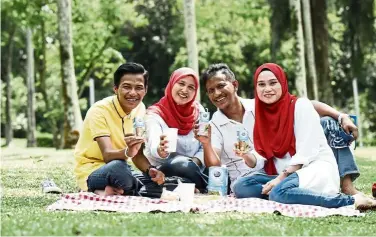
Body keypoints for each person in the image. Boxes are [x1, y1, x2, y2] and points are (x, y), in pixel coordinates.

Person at [196, 63, 362, 196]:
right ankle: (289, 190)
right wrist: (206, 143)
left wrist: (341, 116)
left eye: (221, 86)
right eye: (211, 91)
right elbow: (215, 165)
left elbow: (303, 104)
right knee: (243, 186)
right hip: (260, 173)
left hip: (289, 165)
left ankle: (346, 185)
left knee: (328, 121)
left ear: (234, 85)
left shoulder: (259, 105)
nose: (217, 93)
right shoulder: (215, 124)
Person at [230, 62, 376, 209]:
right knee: (241, 186)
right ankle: (291, 194)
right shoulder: (258, 115)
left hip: (313, 168)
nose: (267, 89)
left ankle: (351, 201)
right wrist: (246, 154)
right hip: (284, 174)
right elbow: (261, 158)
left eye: (273, 83)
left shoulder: (300, 106)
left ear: (282, 83)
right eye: (261, 84)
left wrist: (281, 179)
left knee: (277, 193)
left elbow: (307, 151)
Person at [74, 62, 165, 196]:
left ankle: (115, 190)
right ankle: (132, 189)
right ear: (116, 89)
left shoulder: (140, 109)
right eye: (127, 87)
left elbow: (137, 154)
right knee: (118, 168)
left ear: (145, 90)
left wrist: (150, 170)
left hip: (124, 170)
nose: (133, 93)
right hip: (93, 170)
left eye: (139, 87)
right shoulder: (99, 111)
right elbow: (107, 155)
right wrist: (128, 152)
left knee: (159, 180)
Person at [144, 67, 208, 192]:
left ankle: (186, 185)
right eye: (181, 83)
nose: (185, 90)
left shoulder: (199, 111)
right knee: (180, 163)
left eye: (191, 87)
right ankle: (204, 186)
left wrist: (195, 162)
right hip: (164, 169)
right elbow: (153, 144)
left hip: (194, 168)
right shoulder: (155, 114)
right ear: (172, 84)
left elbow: (204, 145)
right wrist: (160, 150)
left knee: (218, 168)